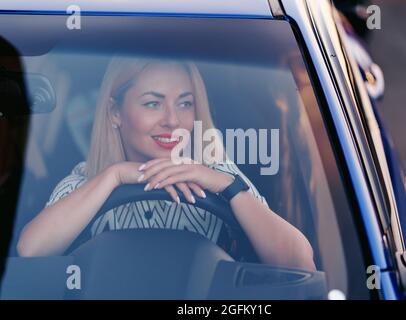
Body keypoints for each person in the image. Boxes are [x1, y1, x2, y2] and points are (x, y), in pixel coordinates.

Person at [16, 57, 315, 271]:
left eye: (185, 103)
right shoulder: (86, 181)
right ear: (115, 112)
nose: (172, 120)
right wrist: (116, 176)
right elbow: (30, 251)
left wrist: (226, 186)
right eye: (153, 103)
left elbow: (300, 263)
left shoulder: (221, 177)